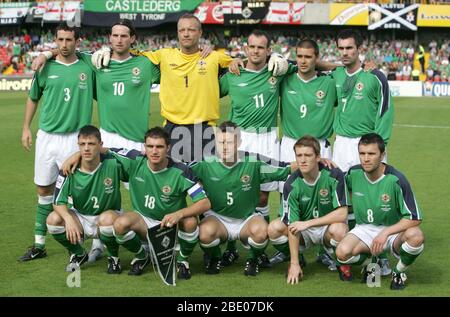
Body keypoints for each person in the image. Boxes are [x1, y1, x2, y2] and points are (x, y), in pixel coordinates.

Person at [33, 19, 161, 261]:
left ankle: (151, 241)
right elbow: (68, 52)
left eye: (124, 35)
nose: (119, 39)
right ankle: (98, 244)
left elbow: (173, 64)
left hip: (137, 142)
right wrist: (47, 52)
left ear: (133, 39)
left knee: (144, 196)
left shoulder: (145, 64)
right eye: (114, 35)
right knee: (103, 192)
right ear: (109, 38)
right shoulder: (96, 63)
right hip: (109, 137)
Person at [19, 22, 94, 262]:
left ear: (77, 42)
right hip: (47, 137)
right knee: (43, 189)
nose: (64, 45)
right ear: (55, 40)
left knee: (75, 193)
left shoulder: (88, 65)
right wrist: (25, 128)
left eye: (69, 40)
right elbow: (33, 98)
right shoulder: (45, 67)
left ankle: (84, 242)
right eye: (59, 40)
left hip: (74, 139)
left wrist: (45, 52)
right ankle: (39, 244)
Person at [191, 122, 295, 276]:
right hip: (217, 218)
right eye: (221, 142)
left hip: (246, 219)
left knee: (261, 231)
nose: (225, 147)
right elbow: (179, 173)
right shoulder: (204, 164)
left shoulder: (253, 162)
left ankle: (253, 260)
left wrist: (317, 162)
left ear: (239, 142)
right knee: (204, 233)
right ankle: (215, 257)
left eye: (230, 142)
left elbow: (284, 168)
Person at [104, 128, 210, 278]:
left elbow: (204, 203)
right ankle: (142, 256)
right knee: (120, 224)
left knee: (190, 222)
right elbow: (101, 150)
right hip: (143, 223)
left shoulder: (181, 171)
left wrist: (179, 214)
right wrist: (75, 156)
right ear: (144, 148)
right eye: (150, 146)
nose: (154, 151)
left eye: (159, 147)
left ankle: (182, 260)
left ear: (168, 148)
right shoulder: (135, 160)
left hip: (171, 227)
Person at [336, 133, 424, 290]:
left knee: (416, 236)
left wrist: (385, 233)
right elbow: (333, 179)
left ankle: (398, 271)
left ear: (382, 155)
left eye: (371, 153)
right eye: (362, 153)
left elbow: (414, 218)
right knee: (342, 253)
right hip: (364, 229)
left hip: (392, 232)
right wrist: (320, 162)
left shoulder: (396, 180)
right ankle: (372, 263)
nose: (366, 158)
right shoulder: (353, 173)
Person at [268, 136, 349, 284]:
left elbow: (342, 213)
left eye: (308, 155)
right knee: (274, 228)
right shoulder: (291, 184)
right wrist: (294, 264)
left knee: (340, 229)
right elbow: (293, 225)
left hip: (326, 228)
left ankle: (340, 262)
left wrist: (309, 223)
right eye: (299, 155)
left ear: (318, 157)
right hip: (303, 230)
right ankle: (299, 260)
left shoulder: (334, 174)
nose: (303, 160)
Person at [48, 125, 124, 273]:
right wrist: (68, 219)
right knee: (53, 219)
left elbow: (137, 162)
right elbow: (57, 202)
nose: (86, 148)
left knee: (107, 220)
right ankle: (79, 253)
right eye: (82, 144)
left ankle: (114, 258)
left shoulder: (113, 163)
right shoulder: (68, 168)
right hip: (81, 217)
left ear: (100, 145)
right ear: (78, 146)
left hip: (108, 217)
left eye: (91, 144)